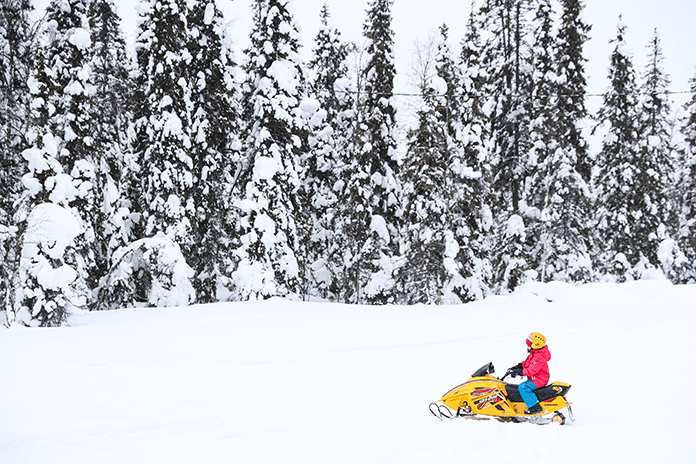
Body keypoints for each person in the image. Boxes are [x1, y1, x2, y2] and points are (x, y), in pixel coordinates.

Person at [507, 332, 551, 415]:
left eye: (529, 345)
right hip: (536, 379)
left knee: (523, 387)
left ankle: (534, 406)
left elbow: (531, 371)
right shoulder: (535, 353)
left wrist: (520, 372)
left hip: (540, 380)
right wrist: (519, 366)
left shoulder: (538, 357)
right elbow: (528, 363)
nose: (527, 347)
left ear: (535, 345)